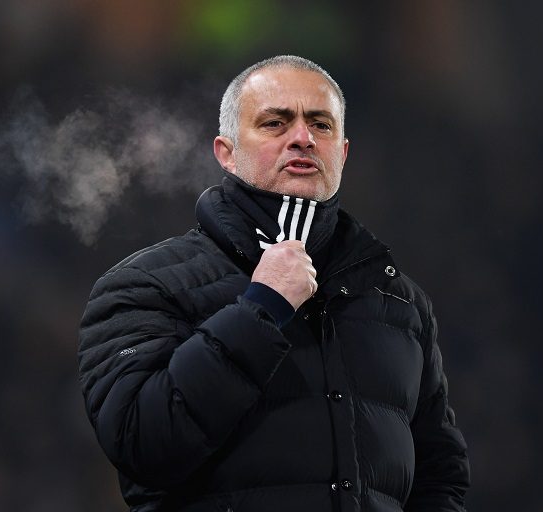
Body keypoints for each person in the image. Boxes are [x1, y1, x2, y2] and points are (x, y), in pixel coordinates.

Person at [78, 55, 470, 512]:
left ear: (342, 153)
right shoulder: (143, 287)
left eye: (320, 124)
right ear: (226, 153)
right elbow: (142, 444)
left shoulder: (399, 302)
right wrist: (261, 308)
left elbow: (439, 478)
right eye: (275, 123)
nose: (303, 138)